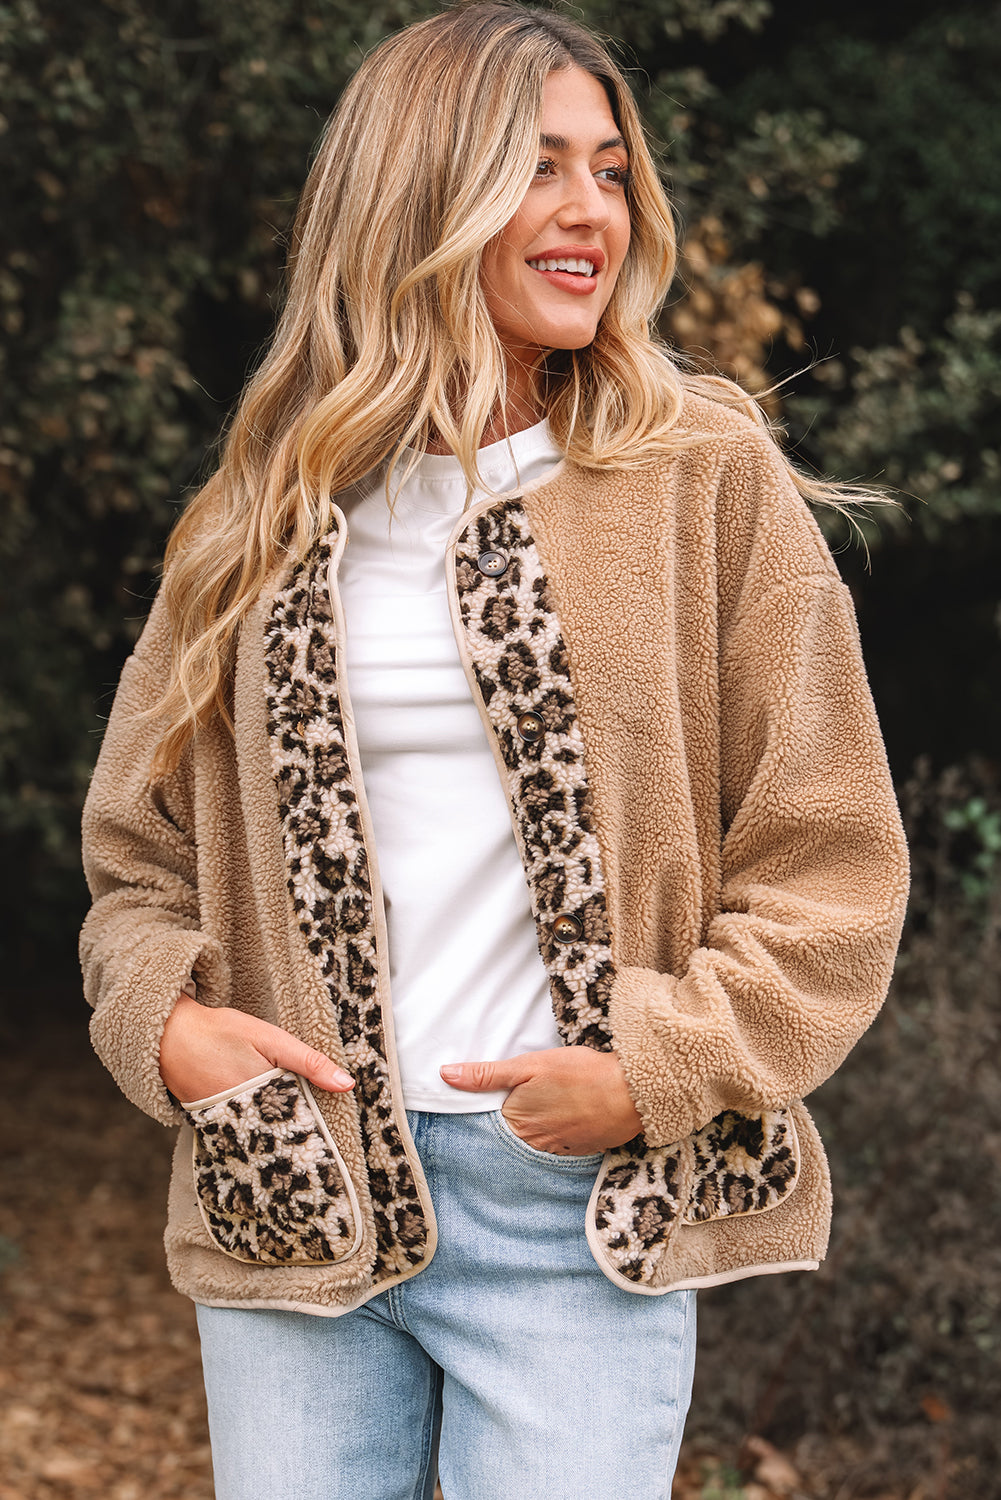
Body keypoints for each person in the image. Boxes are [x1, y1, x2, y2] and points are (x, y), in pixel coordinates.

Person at [79, 4, 909, 1497]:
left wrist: (657, 1065)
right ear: (419, 194)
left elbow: (831, 858)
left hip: (569, 1207)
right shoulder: (263, 510)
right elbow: (138, 857)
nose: (592, 209)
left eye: (609, 169)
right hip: (299, 1193)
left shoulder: (699, 476)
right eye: (538, 167)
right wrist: (170, 1030)